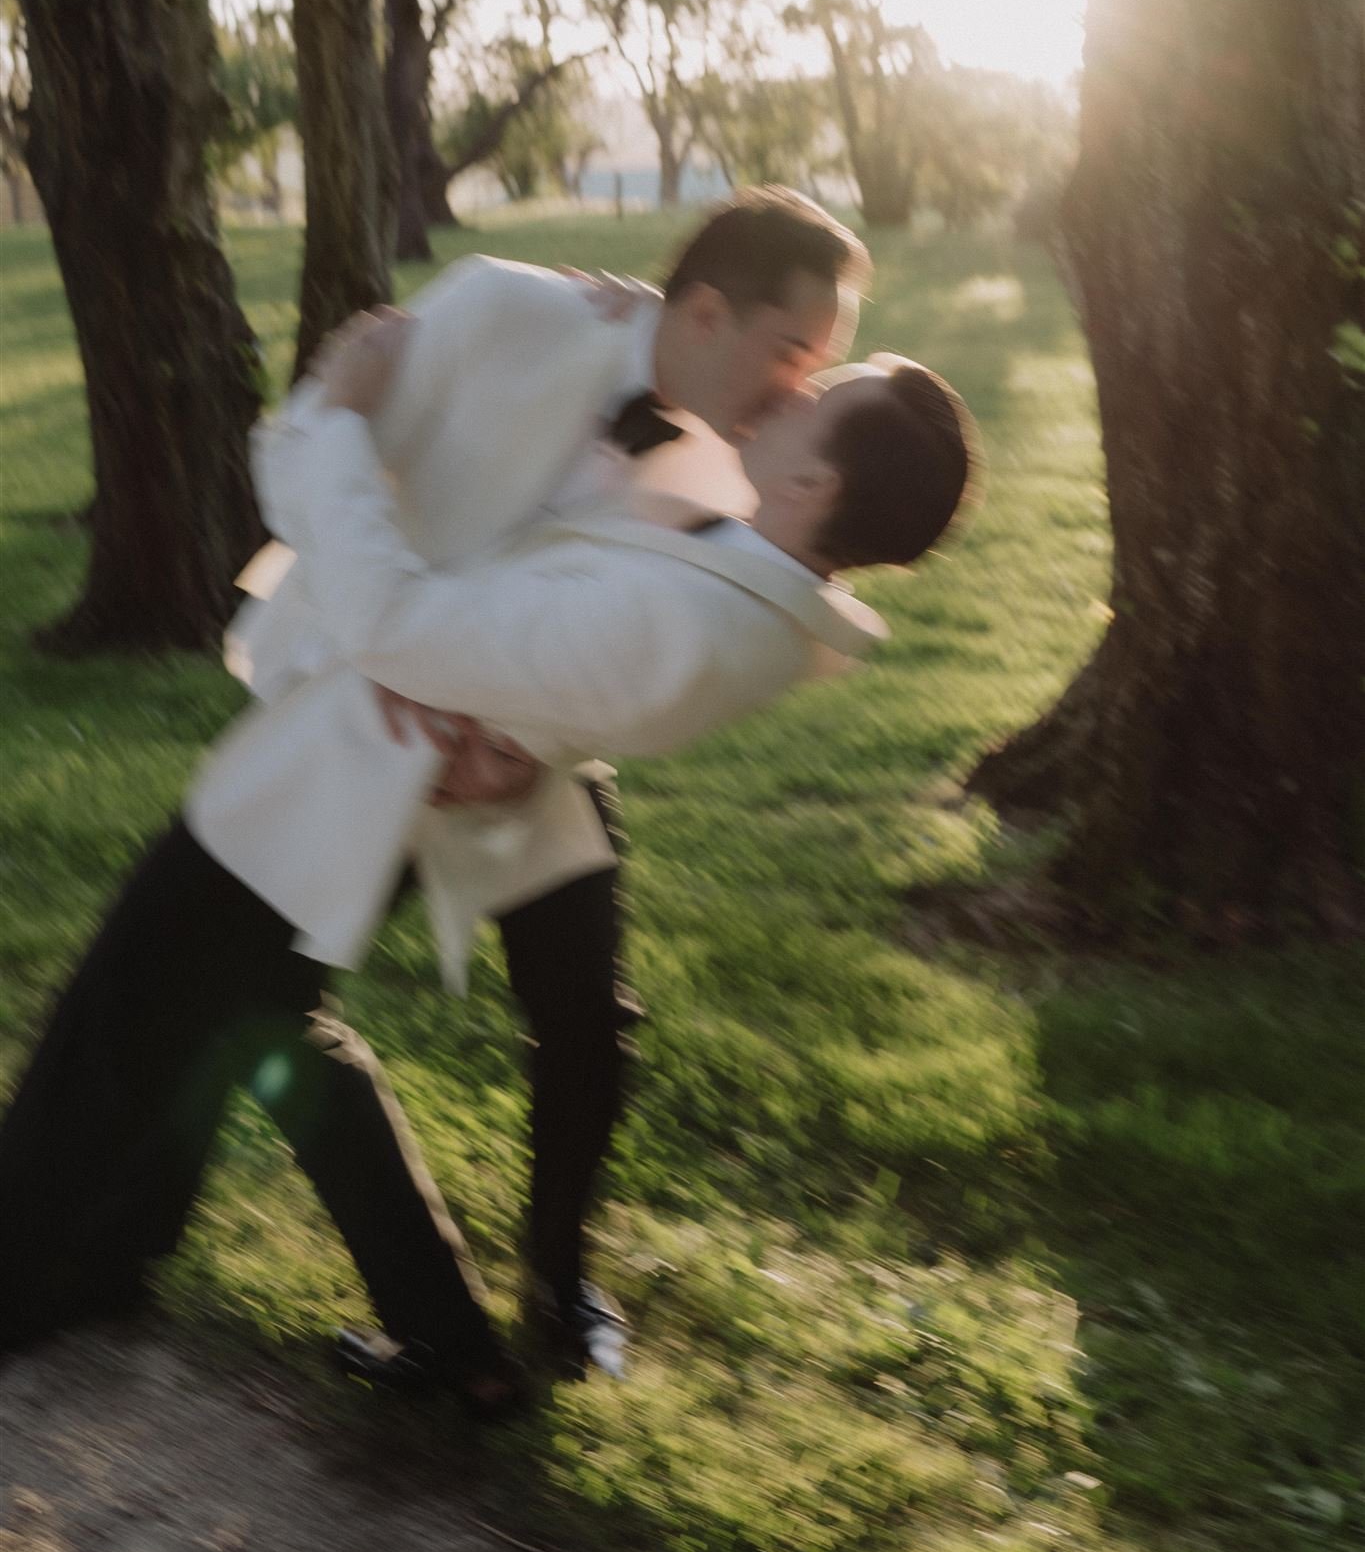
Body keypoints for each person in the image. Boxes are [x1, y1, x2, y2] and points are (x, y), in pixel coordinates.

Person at [0, 191, 921, 1403]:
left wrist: (528, 746)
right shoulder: (503, 309)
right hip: (369, 721)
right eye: (800, 352)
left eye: (823, 363)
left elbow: (672, 637)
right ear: (707, 310)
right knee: (228, 1001)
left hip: (526, 755)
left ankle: (542, 1286)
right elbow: (295, 453)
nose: (805, 383)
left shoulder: (739, 448)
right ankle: (165, 1264)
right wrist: (340, 413)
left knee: (576, 1018)